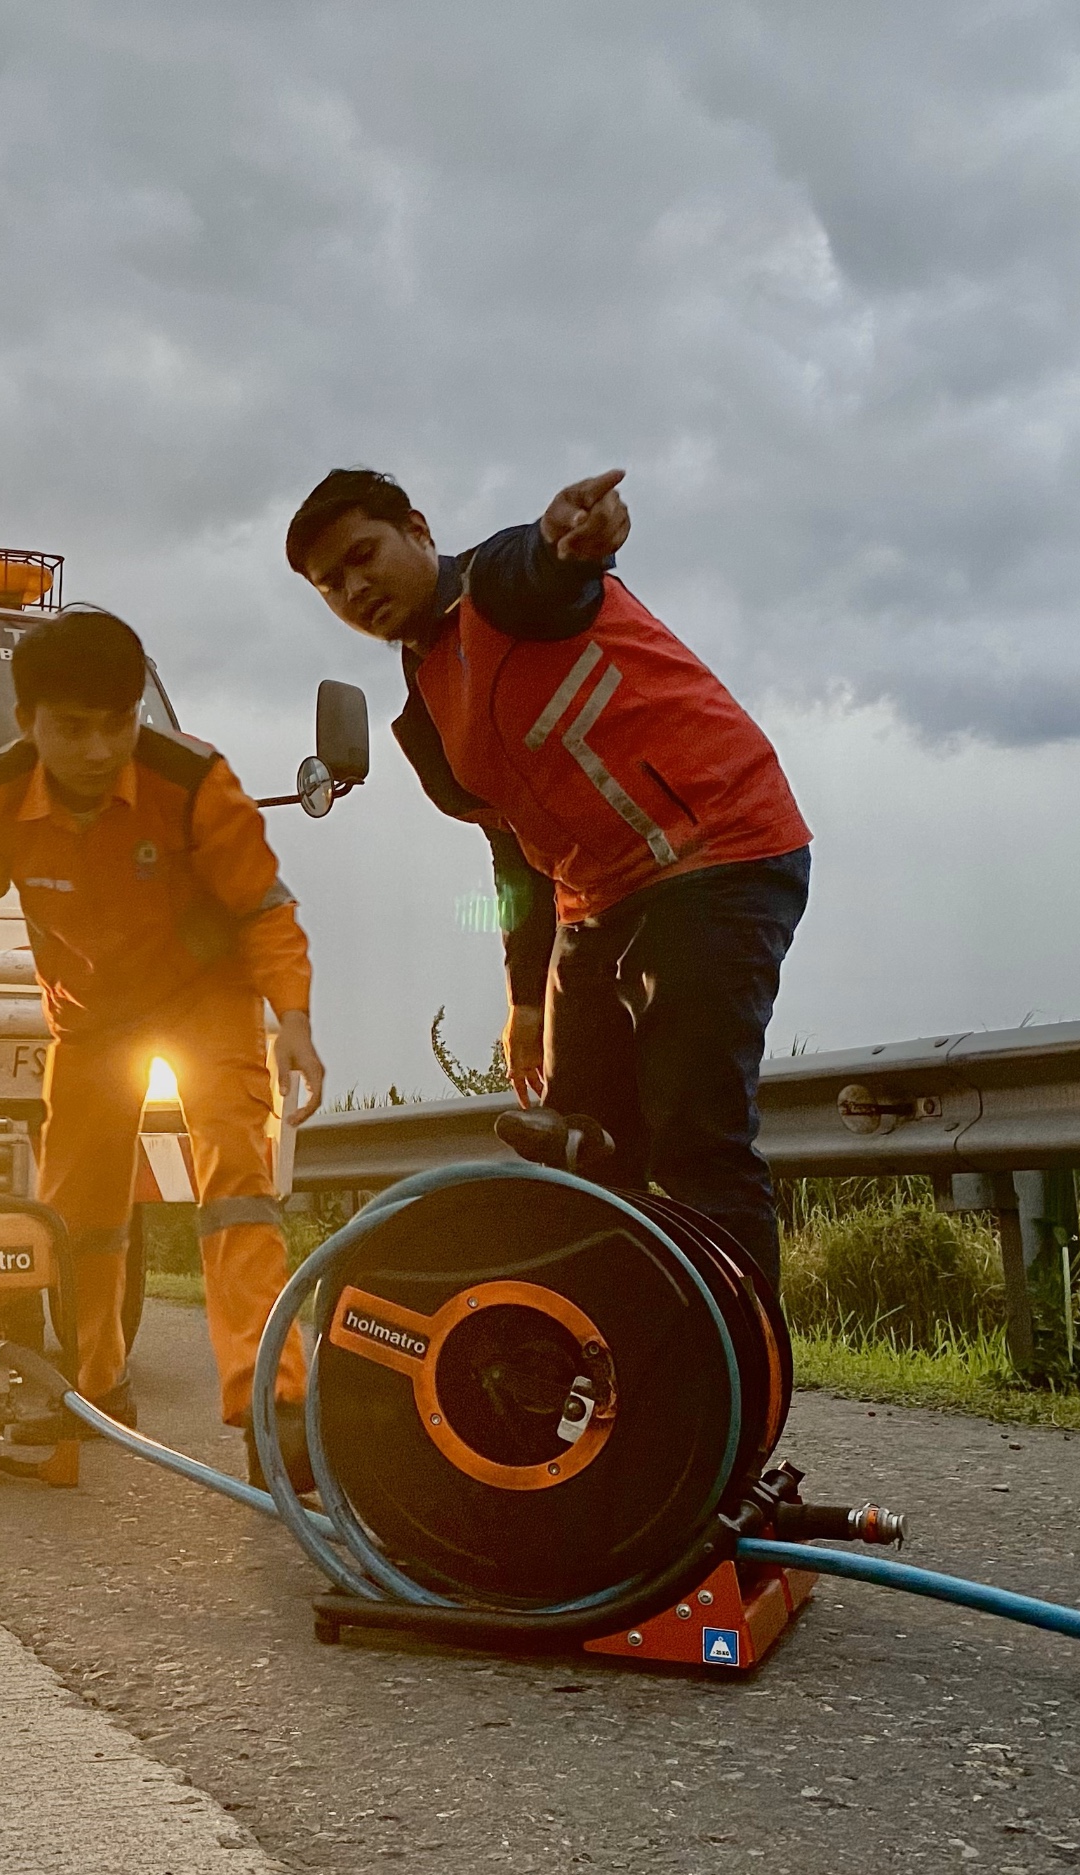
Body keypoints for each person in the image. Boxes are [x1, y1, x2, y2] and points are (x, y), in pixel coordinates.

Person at [285, 468, 810, 1285]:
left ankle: (739, 1387)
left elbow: (547, 569)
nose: (355, 587)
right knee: (581, 1147)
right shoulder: (427, 695)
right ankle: (627, 1360)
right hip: (600, 903)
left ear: (418, 530)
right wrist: (527, 996)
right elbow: (512, 849)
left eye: (363, 555)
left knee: (693, 1134)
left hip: (719, 854)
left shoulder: (499, 586)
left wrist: (571, 540)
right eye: (331, 584)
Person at [0, 609, 330, 1490]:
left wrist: (291, 1020)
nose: (101, 748)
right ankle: (94, 1387)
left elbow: (263, 907)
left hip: (205, 999)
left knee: (236, 1189)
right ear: (28, 723)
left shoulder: (192, 780)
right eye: (74, 728)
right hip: (90, 1018)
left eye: (119, 722)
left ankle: (273, 1404)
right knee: (78, 1217)